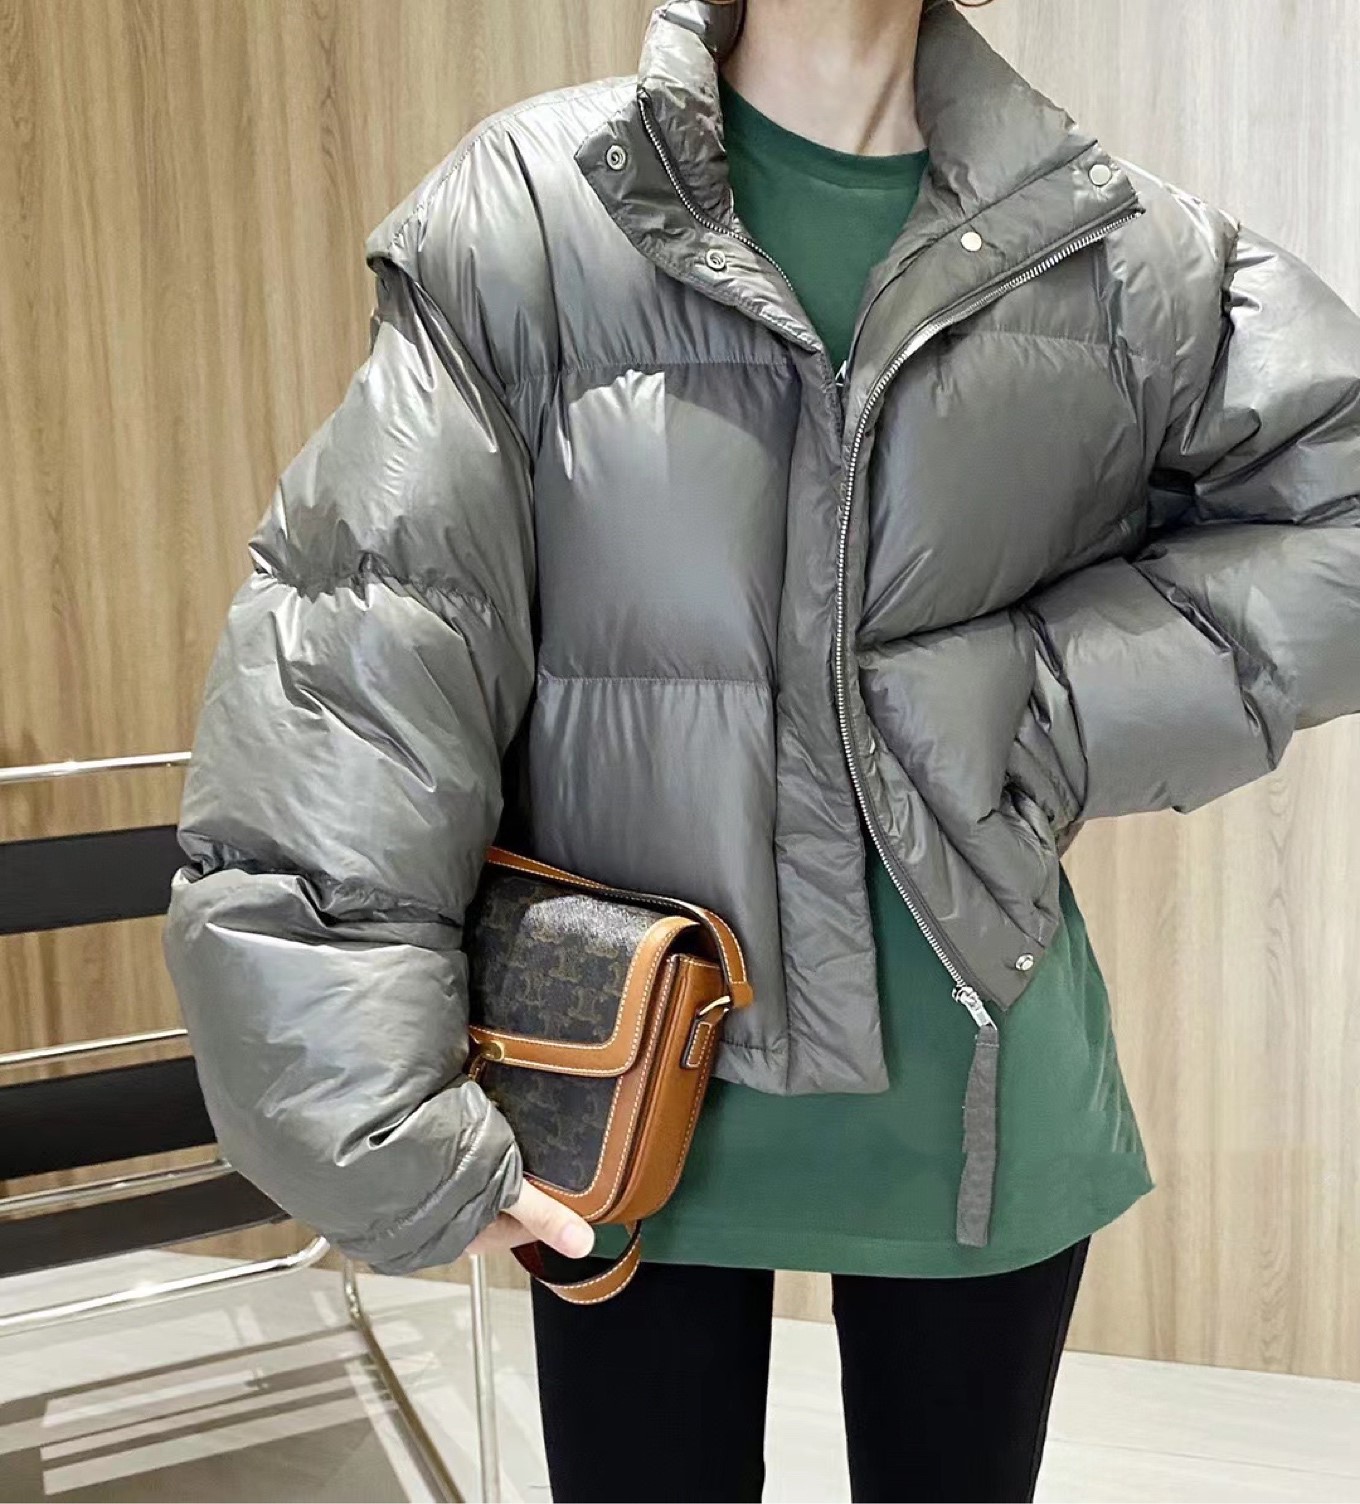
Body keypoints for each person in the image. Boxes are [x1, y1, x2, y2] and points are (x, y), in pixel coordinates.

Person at [161, 0, 1360, 1500]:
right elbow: (366, 647)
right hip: (618, 1097)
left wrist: (1035, 700)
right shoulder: (539, 212)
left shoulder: (1110, 247)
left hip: (977, 1102)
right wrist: (367, 1099)